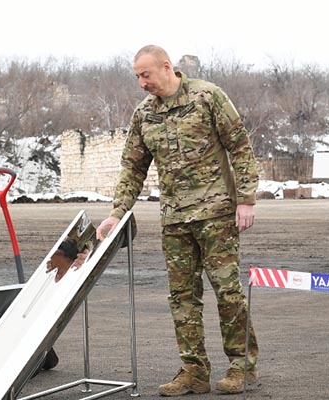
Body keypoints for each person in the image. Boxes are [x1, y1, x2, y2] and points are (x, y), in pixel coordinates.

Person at [96, 45, 259, 396]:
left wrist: (245, 200)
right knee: (182, 296)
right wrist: (116, 213)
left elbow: (240, 147)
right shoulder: (144, 115)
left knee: (228, 292)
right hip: (175, 219)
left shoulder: (207, 96)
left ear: (166, 68)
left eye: (146, 75)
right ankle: (193, 371)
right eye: (137, 77)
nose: (141, 83)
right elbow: (133, 168)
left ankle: (241, 366)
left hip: (216, 214)